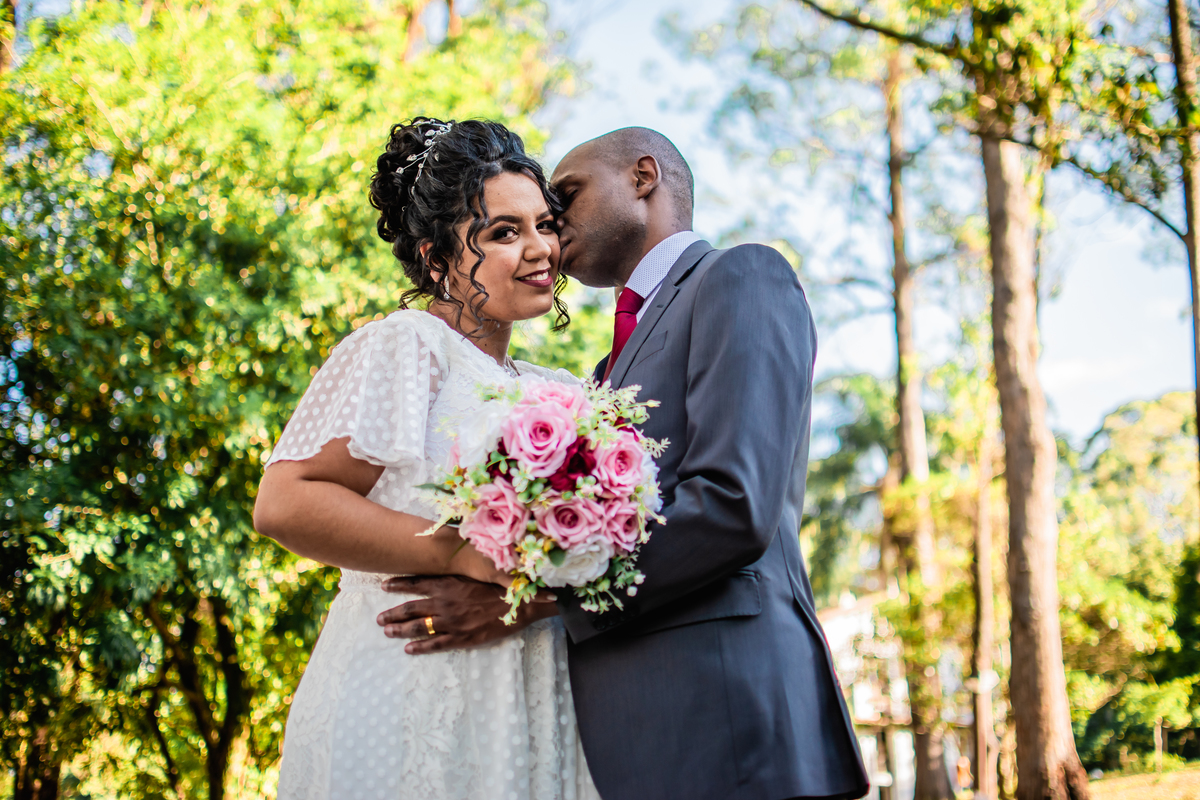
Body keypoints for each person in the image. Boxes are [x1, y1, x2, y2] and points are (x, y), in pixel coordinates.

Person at [377, 128, 871, 800]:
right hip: (630, 742)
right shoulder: (601, 373)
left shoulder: (741, 274)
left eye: (566, 197)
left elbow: (734, 505)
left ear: (643, 177)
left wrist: (530, 603)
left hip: (732, 718)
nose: (551, 227)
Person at [253, 117, 600, 800]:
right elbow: (285, 501)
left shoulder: (561, 390)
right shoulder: (408, 346)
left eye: (545, 224)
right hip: (406, 681)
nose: (541, 249)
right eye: (504, 232)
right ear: (437, 260)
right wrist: (453, 553)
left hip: (532, 690)